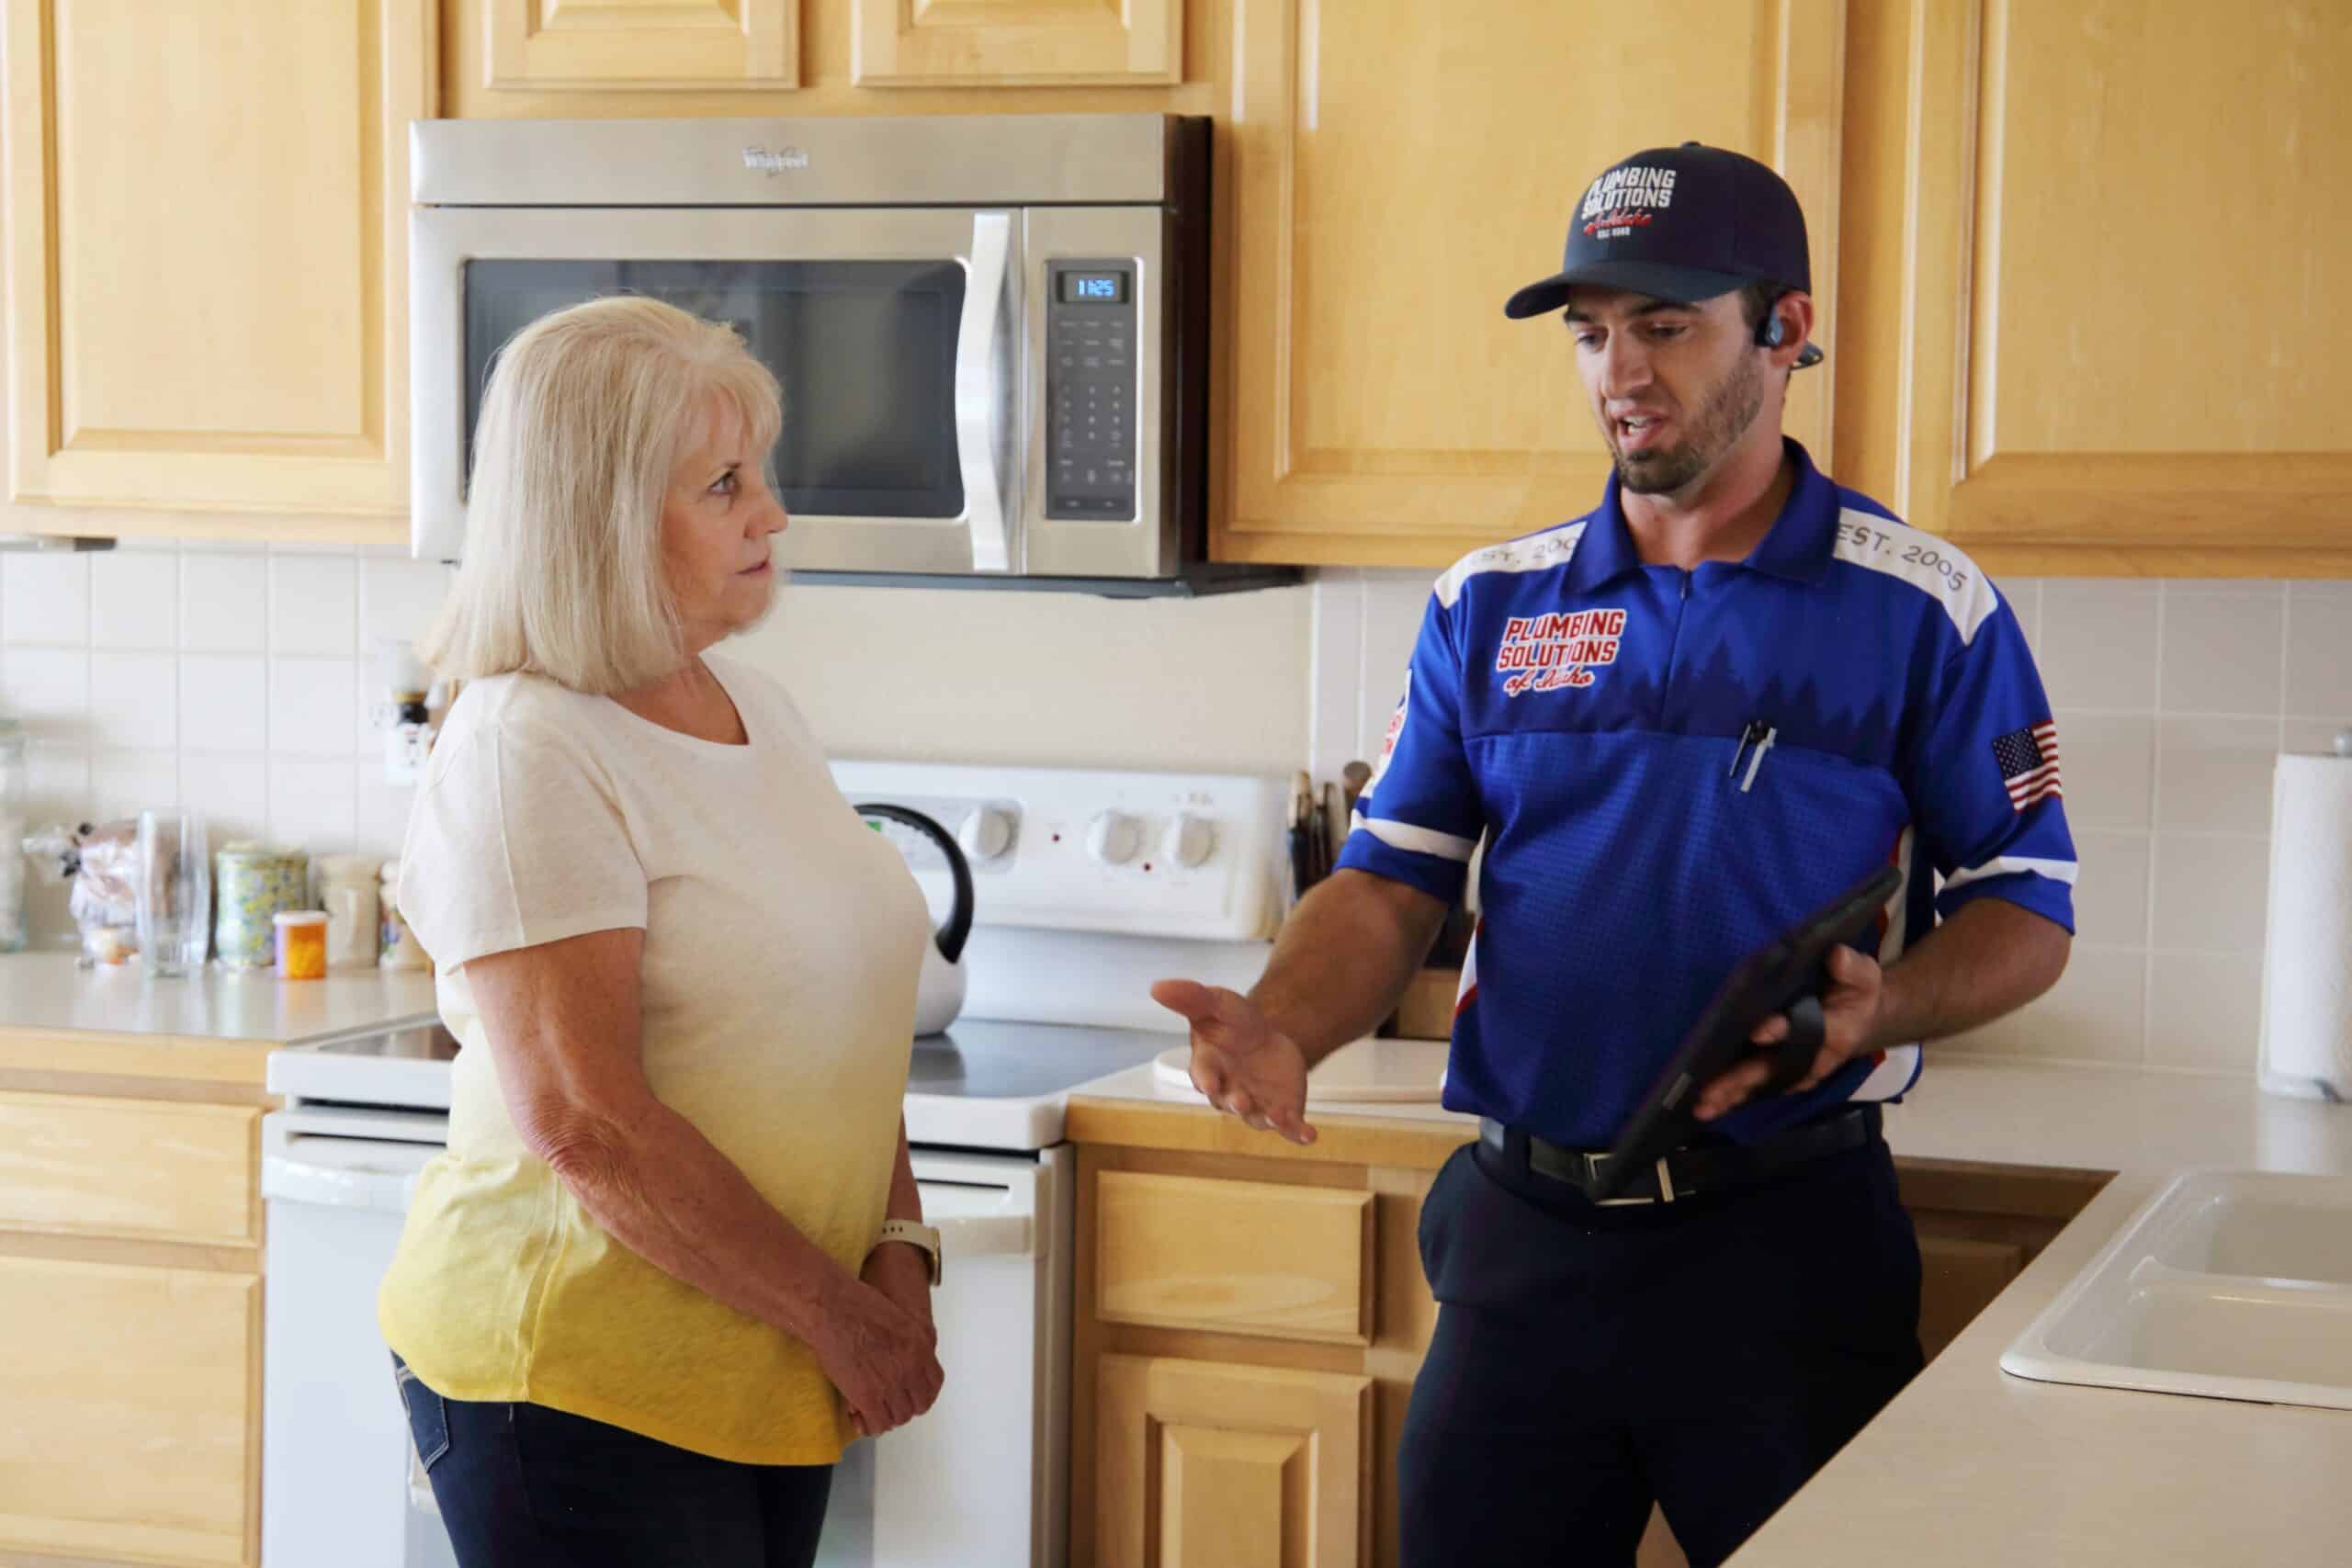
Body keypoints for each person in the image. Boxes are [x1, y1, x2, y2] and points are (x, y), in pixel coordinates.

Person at [1152, 142, 2075, 1568]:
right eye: (1591, 334)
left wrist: (1885, 1006)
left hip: (1787, 1247)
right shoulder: (1491, 605)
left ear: (1786, 328)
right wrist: (1284, 1026)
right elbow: (1394, 880)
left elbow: (2030, 907)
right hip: (1526, 1241)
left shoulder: (1924, 608)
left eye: (1664, 326)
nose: (1617, 372)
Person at [379, 295, 945, 1568]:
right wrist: (843, 1321)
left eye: (763, 472)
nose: (774, 514)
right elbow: (588, 1126)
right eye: (725, 484)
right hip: (575, 1378)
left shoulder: (753, 706)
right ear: (603, 518)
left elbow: (835, 1017)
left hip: (760, 1368)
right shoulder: (526, 745)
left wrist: (897, 1255)